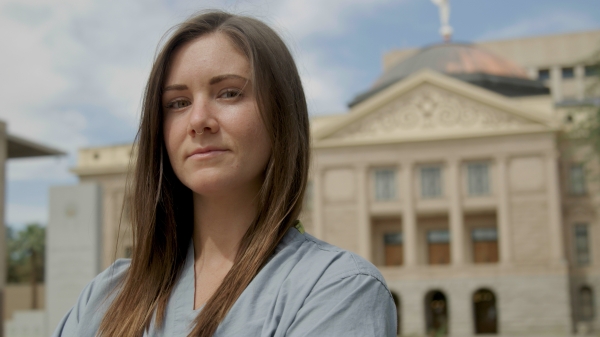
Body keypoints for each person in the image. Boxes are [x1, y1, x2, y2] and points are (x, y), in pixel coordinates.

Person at [52, 10, 397, 337]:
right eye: (178, 103)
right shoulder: (106, 294)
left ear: (281, 115)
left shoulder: (337, 287)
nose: (198, 120)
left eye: (229, 93)